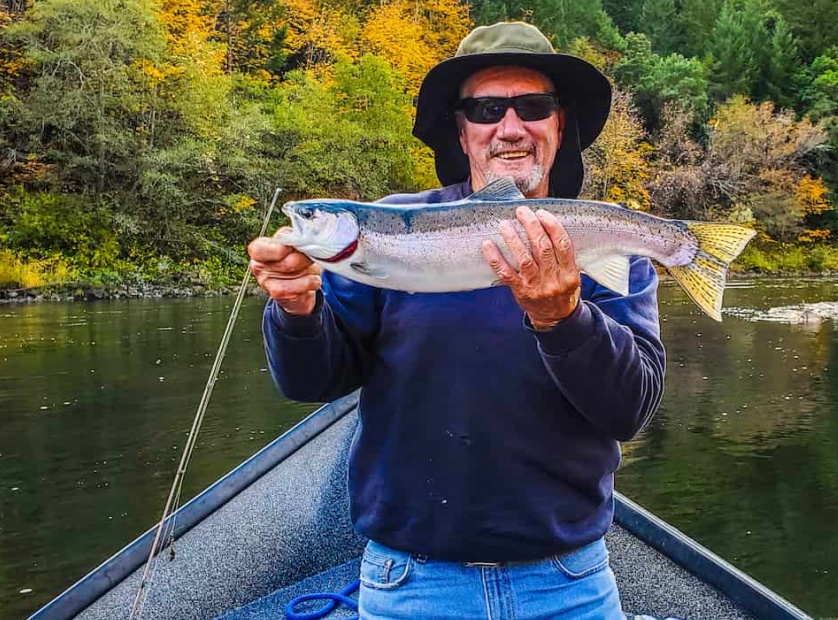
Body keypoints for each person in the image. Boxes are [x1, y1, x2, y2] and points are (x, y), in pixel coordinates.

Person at [248, 21, 665, 620]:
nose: (511, 127)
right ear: (462, 131)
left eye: (534, 107)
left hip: (569, 581)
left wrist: (564, 319)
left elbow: (632, 410)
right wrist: (296, 309)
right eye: (487, 109)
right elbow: (311, 381)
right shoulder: (385, 231)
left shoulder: (602, 241)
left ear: (560, 124)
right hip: (409, 582)